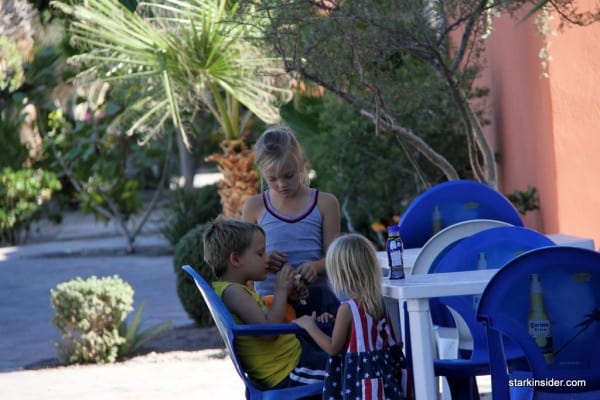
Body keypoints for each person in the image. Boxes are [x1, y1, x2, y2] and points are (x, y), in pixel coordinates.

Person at [203, 217, 328, 390]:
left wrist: (288, 296)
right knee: (347, 369)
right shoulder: (233, 292)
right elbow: (269, 332)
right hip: (288, 373)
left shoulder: (236, 290)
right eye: (260, 254)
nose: (266, 259)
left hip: (293, 362)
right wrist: (281, 291)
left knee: (345, 358)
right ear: (236, 260)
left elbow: (264, 317)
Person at [241, 126, 341, 316]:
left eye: (288, 175)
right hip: (270, 307)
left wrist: (315, 266)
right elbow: (243, 265)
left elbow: (334, 259)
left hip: (317, 305)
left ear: (302, 165)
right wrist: (265, 261)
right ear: (262, 172)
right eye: (272, 179)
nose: (281, 184)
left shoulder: (325, 203)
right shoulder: (255, 206)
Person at [294, 234, 406, 400]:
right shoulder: (377, 302)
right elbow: (368, 335)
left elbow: (333, 348)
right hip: (383, 382)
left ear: (341, 275)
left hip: (359, 384)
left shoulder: (347, 309)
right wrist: (335, 321)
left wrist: (309, 326)